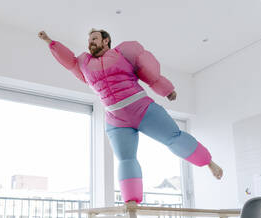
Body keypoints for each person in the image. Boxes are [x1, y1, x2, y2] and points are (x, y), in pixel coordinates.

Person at [38, 29, 223, 204]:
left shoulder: (122, 54)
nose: (90, 42)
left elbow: (149, 72)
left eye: (94, 38)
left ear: (105, 40)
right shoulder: (84, 63)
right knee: (126, 159)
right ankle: (132, 201)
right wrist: (49, 41)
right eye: (89, 40)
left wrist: (167, 90)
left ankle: (208, 162)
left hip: (142, 108)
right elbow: (67, 60)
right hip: (116, 119)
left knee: (174, 138)